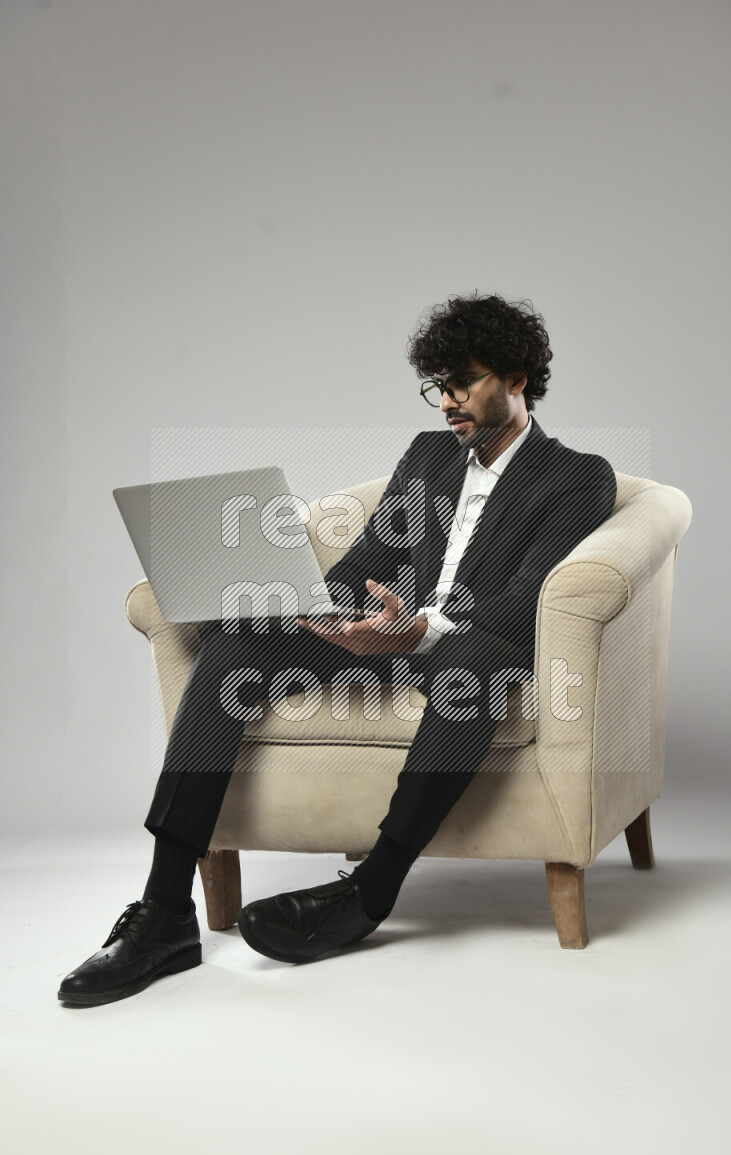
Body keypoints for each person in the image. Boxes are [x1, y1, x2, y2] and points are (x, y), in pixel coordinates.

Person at [58, 292, 617, 1005]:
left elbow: (525, 603)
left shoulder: (577, 475)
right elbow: (367, 561)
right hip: (386, 633)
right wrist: (315, 609)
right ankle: (165, 910)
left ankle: (370, 891)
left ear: (515, 378)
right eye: (437, 386)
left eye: (464, 383)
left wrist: (417, 629)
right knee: (234, 642)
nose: (447, 402)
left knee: (470, 666)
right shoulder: (428, 457)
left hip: (475, 646)